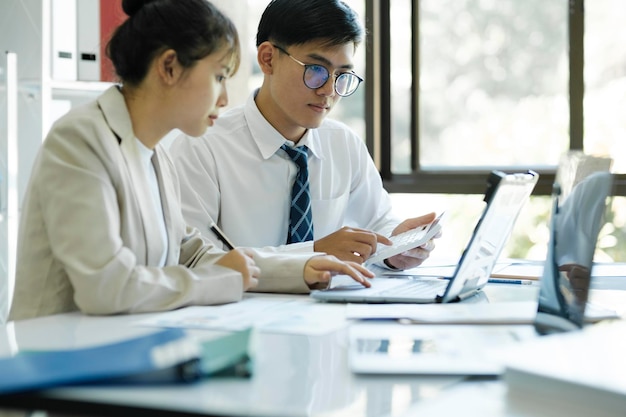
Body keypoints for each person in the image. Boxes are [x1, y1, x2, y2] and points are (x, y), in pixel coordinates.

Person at [9, 0, 372, 321]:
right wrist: (219, 280)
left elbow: (195, 254)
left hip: (124, 348)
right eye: (218, 77)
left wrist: (303, 269)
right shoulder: (80, 140)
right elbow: (106, 286)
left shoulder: (153, 152)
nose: (226, 98)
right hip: (54, 369)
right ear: (169, 67)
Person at [169, 0, 439, 270]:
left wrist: (396, 247)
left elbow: (378, 223)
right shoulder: (202, 147)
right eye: (316, 70)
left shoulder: (343, 143)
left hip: (332, 309)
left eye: (342, 75)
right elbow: (195, 261)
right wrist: (313, 253)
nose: (329, 90)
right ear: (268, 58)